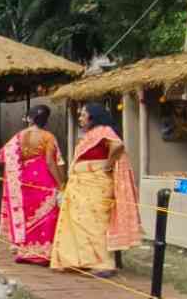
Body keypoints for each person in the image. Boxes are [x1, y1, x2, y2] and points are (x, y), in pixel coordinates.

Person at [50, 103, 141, 277]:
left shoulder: (104, 130)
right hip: (81, 183)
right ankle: (81, 260)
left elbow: (117, 146)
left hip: (95, 183)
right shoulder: (91, 134)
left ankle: (104, 264)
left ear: (93, 116)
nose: (80, 118)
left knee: (94, 223)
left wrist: (107, 165)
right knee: (80, 222)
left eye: (83, 115)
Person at [0, 105, 64, 266]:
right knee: (47, 214)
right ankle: (44, 253)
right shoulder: (48, 136)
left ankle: (26, 251)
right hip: (44, 177)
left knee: (28, 213)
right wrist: (61, 182)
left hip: (25, 177)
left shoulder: (19, 136)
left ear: (30, 118)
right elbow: (50, 161)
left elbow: (4, 155)